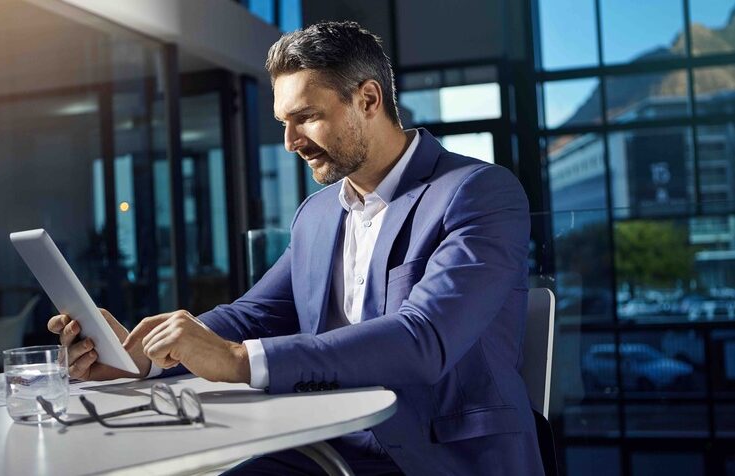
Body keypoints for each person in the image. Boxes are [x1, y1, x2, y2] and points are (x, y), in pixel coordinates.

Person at [48, 21, 543, 475]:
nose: (289, 141)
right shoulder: (318, 213)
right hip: (329, 445)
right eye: (284, 120)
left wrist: (240, 361)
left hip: (442, 457)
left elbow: (423, 340)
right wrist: (145, 356)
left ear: (368, 100)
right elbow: (253, 317)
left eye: (306, 117)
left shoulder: (477, 192)